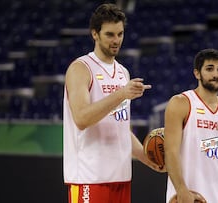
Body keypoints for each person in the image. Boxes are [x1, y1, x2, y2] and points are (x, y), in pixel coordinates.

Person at [63, 3, 165, 203]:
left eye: (120, 34)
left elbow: (121, 129)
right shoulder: (81, 68)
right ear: (95, 34)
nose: (116, 40)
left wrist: (148, 159)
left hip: (121, 177)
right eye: (110, 34)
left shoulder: (122, 72)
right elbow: (81, 118)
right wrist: (121, 94)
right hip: (89, 178)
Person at [164, 49, 218, 203]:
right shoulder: (181, 102)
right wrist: (181, 190)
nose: (215, 74)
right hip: (187, 196)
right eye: (209, 68)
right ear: (197, 73)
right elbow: (170, 151)